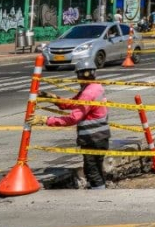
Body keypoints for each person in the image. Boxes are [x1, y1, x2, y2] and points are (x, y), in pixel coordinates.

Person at [29, 59, 110, 189]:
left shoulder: (88, 92)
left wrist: (46, 120)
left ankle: (98, 196)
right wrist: (53, 98)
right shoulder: (95, 87)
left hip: (93, 138)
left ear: (80, 75)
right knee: (96, 167)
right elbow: (73, 103)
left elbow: (73, 118)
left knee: (92, 170)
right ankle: (99, 188)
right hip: (100, 137)